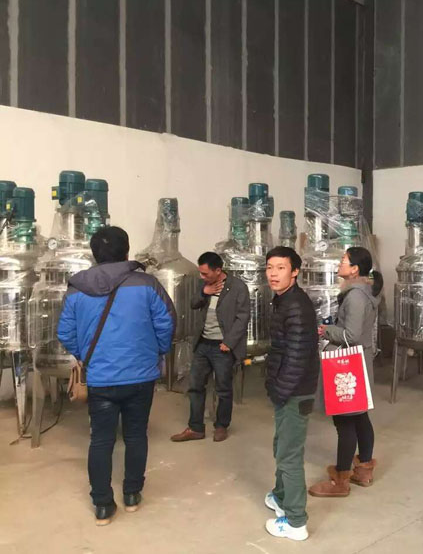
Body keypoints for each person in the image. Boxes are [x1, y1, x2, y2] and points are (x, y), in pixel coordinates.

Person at [57, 226, 176, 526]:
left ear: (94, 254)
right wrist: (156, 352)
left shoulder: (76, 289)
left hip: (100, 378)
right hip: (140, 377)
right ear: (126, 251)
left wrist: (86, 356)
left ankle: (102, 505)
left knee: (101, 440)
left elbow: (65, 333)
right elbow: (167, 323)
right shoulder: (147, 284)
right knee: (136, 435)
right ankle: (132, 494)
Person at [308, 247, 381, 498]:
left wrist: (325, 330)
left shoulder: (356, 297)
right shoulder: (361, 292)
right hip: (359, 360)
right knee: (360, 417)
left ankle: (340, 480)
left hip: (348, 363)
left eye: (343, 261)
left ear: (354, 269)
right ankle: (364, 470)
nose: (339, 264)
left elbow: (352, 335)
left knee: (345, 420)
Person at [263, 246, 319, 542]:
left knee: (289, 455)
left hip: (295, 392)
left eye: (281, 268)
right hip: (287, 390)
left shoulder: (296, 306)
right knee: (281, 445)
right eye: (270, 267)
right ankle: (281, 496)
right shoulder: (283, 300)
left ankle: (296, 522)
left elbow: (297, 357)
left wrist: (281, 391)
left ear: (295, 271)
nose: (273, 274)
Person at [171, 252, 251, 443]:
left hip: (222, 347)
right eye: (201, 273)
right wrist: (203, 292)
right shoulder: (204, 285)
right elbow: (193, 304)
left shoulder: (238, 287)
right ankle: (195, 428)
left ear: (218, 270)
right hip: (203, 344)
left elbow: (243, 317)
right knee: (195, 387)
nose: (202, 276)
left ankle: (221, 426)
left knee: (223, 389)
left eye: (205, 273)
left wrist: (229, 342)